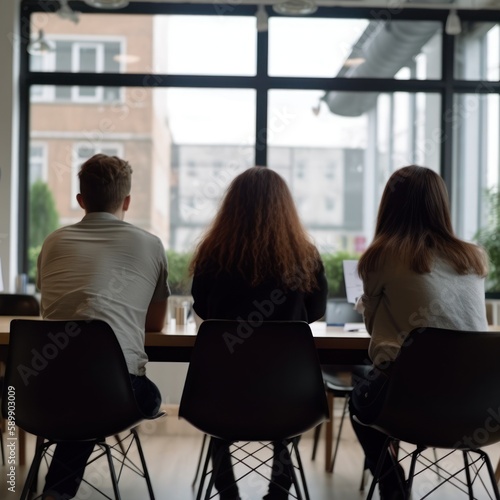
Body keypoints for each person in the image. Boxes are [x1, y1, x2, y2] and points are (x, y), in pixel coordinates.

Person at [349, 165, 488, 500]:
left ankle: (390, 480)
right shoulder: (473, 257)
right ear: (441, 205)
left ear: (389, 206)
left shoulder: (380, 256)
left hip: (410, 402)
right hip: (478, 405)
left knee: (361, 396)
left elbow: (372, 330)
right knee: (381, 376)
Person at [189, 166, 328, 500]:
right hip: (289, 398)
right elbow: (317, 312)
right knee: (287, 398)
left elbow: (203, 309)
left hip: (220, 396)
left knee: (219, 406)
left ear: (231, 207)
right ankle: (279, 490)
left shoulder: (211, 255)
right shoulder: (305, 257)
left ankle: (227, 491)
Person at [37, 153, 170, 500]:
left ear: (81, 201)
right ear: (127, 201)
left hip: (41, 389)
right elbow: (154, 324)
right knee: (129, 393)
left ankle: (56, 491)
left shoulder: (52, 242)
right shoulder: (151, 245)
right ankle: (56, 493)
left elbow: (50, 310)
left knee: (77, 392)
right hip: (118, 394)